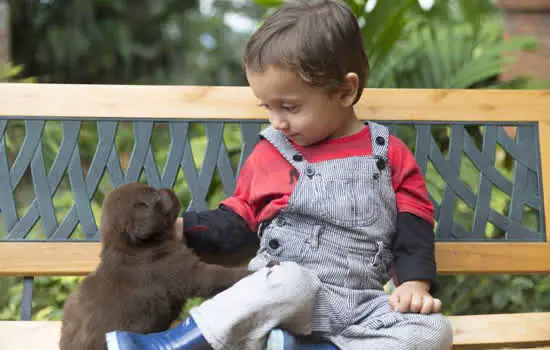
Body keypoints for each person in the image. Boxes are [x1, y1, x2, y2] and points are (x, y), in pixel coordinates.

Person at [105, 1, 453, 349]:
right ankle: (172, 345)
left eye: (290, 107)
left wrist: (414, 283)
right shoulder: (273, 153)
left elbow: (414, 226)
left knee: (433, 330)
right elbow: (239, 221)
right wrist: (185, 229)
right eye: (267, 107)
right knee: (291, 281)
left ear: (345, 91)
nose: (277, 122)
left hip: (360, 307)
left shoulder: (388, 154)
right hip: (284, 301)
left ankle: (300, 348)